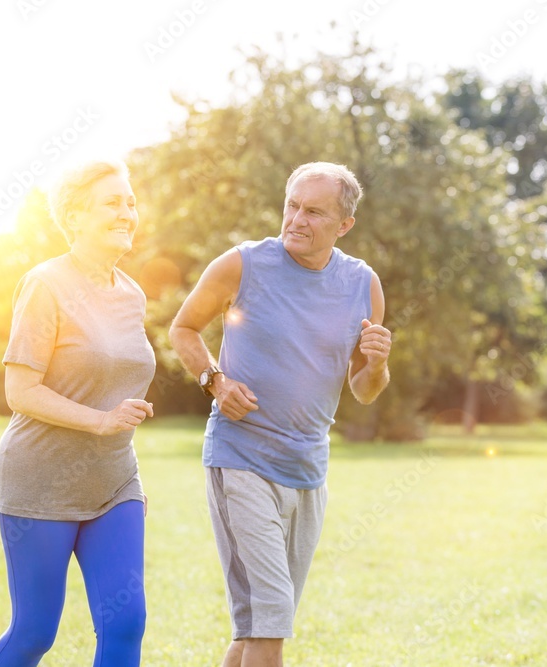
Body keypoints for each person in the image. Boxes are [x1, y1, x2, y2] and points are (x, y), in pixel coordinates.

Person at [169, 161, 393, 666]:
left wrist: (378, 364)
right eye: (292, 205)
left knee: (256, 628)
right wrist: (215, 381)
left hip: (309, 472)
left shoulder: (363, 285)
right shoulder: (242, 264)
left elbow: (364, 390)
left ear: (344, 225)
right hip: (240, 457)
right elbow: (183, 329)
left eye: (314, 211)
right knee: (270, 625)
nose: (296, 219)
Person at [0, 159, 155, 666]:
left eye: (130, 202)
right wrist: (100, 420)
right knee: (36, 631)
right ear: (76, 216)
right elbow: (21, 390)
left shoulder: (132, 294)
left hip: (115, 482)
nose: (127, 212)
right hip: (40, 481)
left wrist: (117, 438)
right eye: (112, 202)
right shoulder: (46, 284)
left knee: (125, 622)